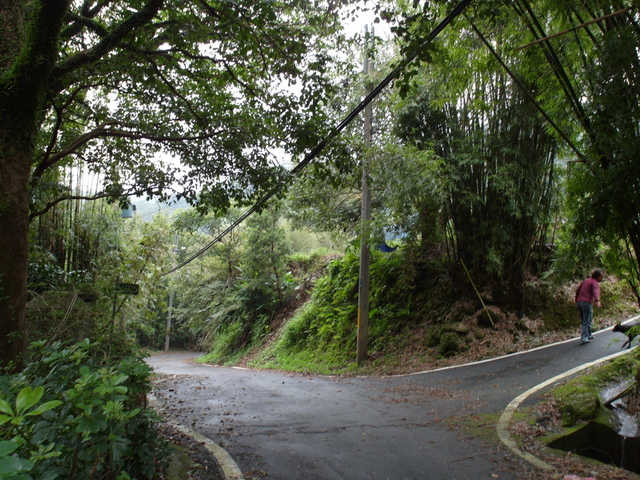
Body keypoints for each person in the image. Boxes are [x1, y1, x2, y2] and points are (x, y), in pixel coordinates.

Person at [575, 269, 603, 345]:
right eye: (601, 277)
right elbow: (595, 292)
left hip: (579, 302)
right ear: (597, 276)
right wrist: (597, 300)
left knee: (586, 318)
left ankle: (589, 334)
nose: (602, 279)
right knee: (587, 320)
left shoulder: (586, 281)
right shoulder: (594, 282)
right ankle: (583, 338)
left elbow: (578, 290)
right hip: (586, 302)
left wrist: (576, 300)